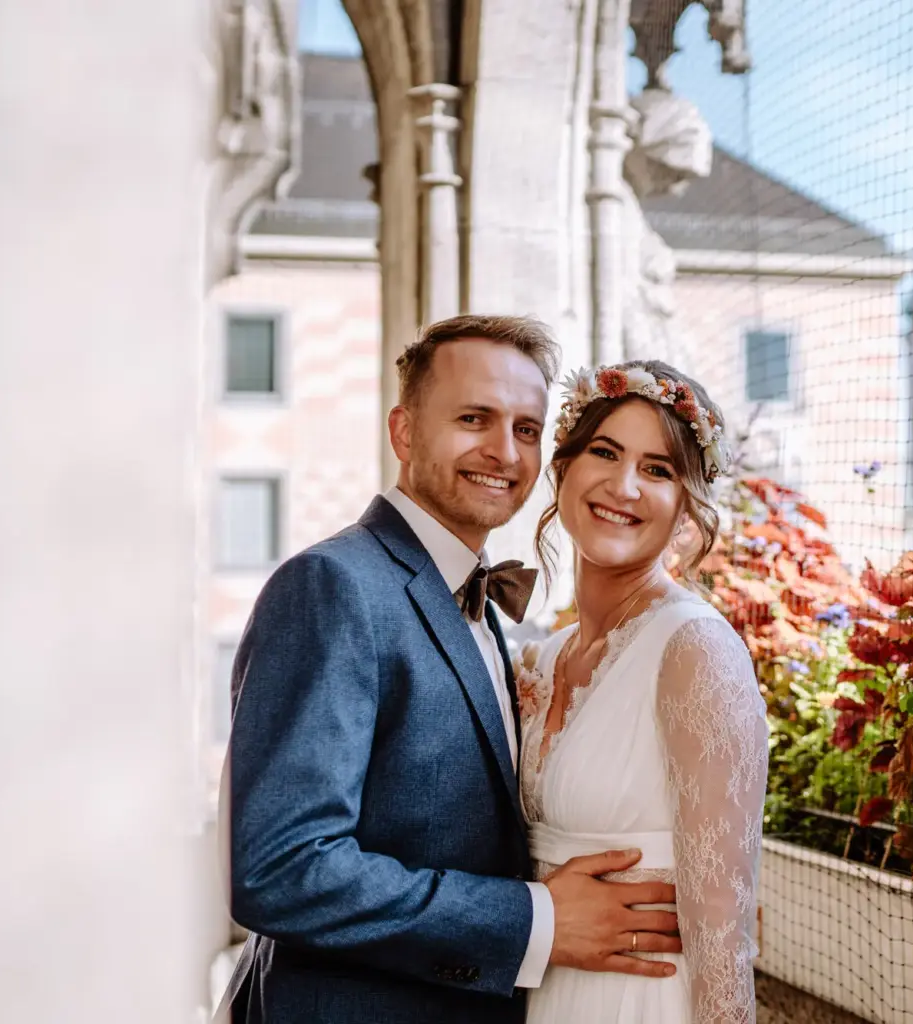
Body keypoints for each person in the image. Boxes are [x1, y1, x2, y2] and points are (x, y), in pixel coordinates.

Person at [217, 316, 684, 1024]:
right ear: (403, 432)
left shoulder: (478, 602)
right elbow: (283, 870)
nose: (504, 451)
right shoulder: (332, 586)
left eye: (528, 429)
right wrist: (537, 919)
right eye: (474, 418)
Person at [518, 360, 769, 1023]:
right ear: (562, 468)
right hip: (547, 994)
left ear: (685, 508)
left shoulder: (695, 651)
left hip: (647, 1001)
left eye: (658, 470)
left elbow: (724, 939)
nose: (623, 485)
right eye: (604, 452)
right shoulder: (540, 665)